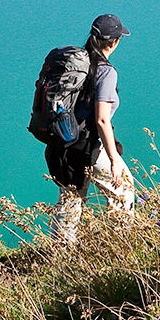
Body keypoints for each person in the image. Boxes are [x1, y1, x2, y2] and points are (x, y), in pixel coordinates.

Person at [49, 13, 137, 243]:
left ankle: (58, 255)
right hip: (88, 147)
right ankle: (120, 245)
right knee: (124, 191)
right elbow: (101, 120)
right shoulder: (106, 72)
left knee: (70, 202)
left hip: (62, 144)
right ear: (114, 42)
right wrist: (114, 158)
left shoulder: (77, 63)